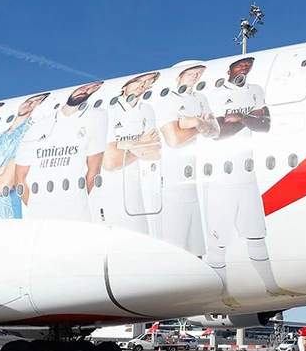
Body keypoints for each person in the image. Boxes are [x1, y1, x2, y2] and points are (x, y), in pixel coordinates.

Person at [201, 57, 299, 306]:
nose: (244, 68)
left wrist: (240, 118)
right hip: (220, 176)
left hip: (247, 174)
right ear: (229, 70)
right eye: (239, 66)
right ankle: (222, 293)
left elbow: (265, 125)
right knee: (219, 240)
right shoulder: (215, 94)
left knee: (256, 234)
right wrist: (245, 119)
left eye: (248, 66)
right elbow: (217, 132)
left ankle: (271, 286)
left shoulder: (256, 91)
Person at [15, 82, 108, 222]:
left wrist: (76, 202)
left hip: (78, 218)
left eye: (92, 88)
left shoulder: (96, 117)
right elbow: (19, 180)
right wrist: (36, 209)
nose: (86, 90)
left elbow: (94, 170)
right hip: (41, 222)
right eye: (83, 87)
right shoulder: (39, 126)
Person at [155, 65, 218, 254]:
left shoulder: (201, 99)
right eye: (191, 73)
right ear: (180, 76)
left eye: (199, 73)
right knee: (176, 247)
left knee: (197, 249)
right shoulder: (167, 101)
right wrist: (201, 125)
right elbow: (174, 140)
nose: (196, 76)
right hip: (173, 184)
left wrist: (196, 122)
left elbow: (215, 131)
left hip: (192, 185)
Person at [101, 73, 161, 234]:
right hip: (111, 193)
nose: (142, 84)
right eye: (138, 80)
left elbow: (155, 153)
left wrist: (123, 145)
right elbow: (110, 162)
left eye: (147, 81)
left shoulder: (148, 110)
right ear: (125, 85)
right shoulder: (109, 113)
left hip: (136, 193)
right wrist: (141, 144)